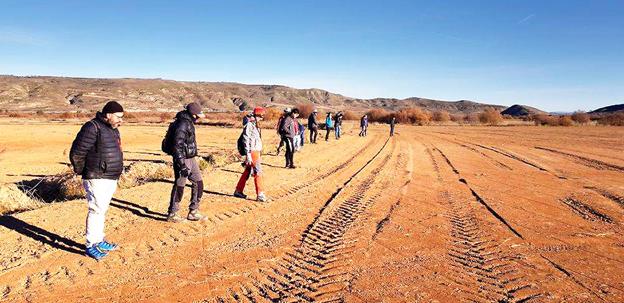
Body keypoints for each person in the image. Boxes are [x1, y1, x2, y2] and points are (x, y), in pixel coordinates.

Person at [70, 101, 125, 260]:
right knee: (96, 210)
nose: (121, 120)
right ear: (108, 115)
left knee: (102, 210)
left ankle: (99, 240)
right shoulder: (92, 127)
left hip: (110, 177)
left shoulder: (113, 130)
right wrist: (84, 171)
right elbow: (77, 152)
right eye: (118, 117)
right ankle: (90, 244)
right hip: (96, 177)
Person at [166, 102, 206, 223]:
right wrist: (181, 164)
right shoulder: (183, 124)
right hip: (183, 158)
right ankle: (172, 213)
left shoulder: (188, 122)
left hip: (191, 158)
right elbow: (177, 145)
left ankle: (193, 211)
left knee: (198, 183)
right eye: (198, 115)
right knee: (180, 185)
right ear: (193, 115)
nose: (199, 118)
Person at [234, 107, 268, 202]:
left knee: (247, 171)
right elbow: (246, 138)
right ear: (256, 115)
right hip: (252, 151)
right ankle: (260, 194)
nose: (261, 118)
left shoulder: (255, 124)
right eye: (261, 116)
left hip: (255, 151)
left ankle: (238, 190)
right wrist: (248, 154)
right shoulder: (249, 124)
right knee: (258, 171)